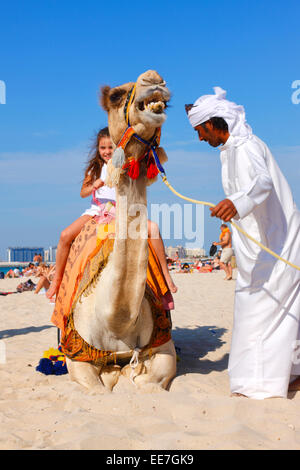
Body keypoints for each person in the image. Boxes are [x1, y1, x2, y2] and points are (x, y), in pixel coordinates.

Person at [186, 86, 300, 399]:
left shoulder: (247, 146)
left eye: (199, 131)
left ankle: (260, 383)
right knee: (265, 309)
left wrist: (237, 203)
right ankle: (288, 374)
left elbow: (261, 183)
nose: (199, 138)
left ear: (212, 124)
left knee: (265, 310)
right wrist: (234, 206)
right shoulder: (231, 149)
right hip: (257, 246)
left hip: (277, 244)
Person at [47, 127, 177, 300]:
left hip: (123, 211)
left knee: (153, 229)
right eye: (103, 148)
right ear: (98, 149)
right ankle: (57, 280)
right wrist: (96, 184)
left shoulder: (126, 166)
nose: (107, 151)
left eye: (110, 148)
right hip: (97, 210)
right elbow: (83, 192)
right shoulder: (94, 169)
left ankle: (166, 276)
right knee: (65, 236)